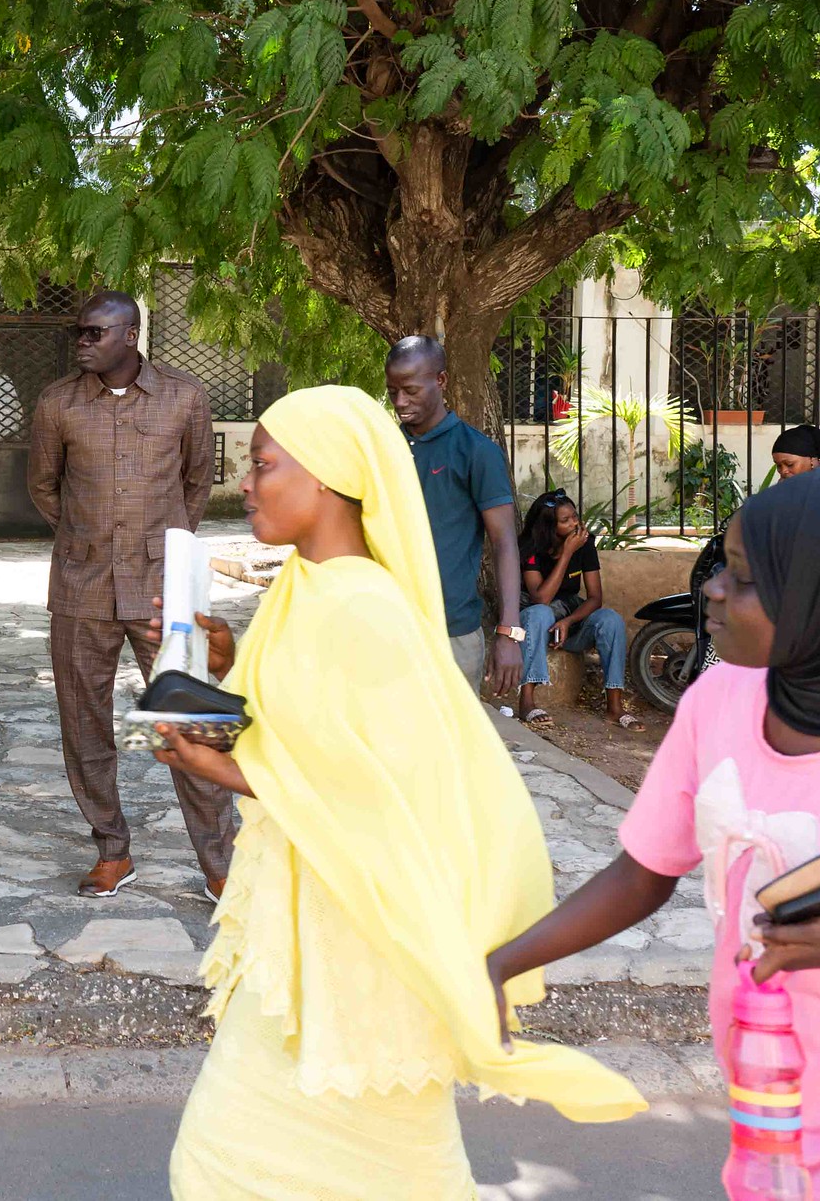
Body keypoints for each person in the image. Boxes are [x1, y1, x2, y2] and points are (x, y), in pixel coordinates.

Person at [145, 386, 642, 1198]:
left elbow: (380, 787)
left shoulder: (367, 608)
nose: (247, 482)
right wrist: (225, 665)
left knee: (315, 1167)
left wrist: (220, 769)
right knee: (231, 1165)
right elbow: (300, 732)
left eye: (264, 464)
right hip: (306, 927)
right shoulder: (303, 590)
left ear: (330, 477)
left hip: (364, 940)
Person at [487, 466, 820, 1197]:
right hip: (766, 1121)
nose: (711, 590)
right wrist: (501, 963)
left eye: (742, 577)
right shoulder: (725, 696)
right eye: (720, 567)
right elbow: (644, 870)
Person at [27, 291, 235, 899]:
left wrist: (162, 551)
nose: (81, 343)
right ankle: (112, 851)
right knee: (84, 724)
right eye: (79, 333)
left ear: (131, 335)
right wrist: (85, 538)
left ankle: (219, 865)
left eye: (94, 333)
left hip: (160, 591)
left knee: (188, 718)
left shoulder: (185, 398)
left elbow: (196, 486)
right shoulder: (58, 402)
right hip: (79, 587)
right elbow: (43, 485)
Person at [385, 336, 526, 696]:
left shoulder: (476, 452)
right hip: (387, 630)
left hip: (452, 635)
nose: (401, 402)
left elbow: (504, 543)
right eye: (393, 391)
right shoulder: (383, 449)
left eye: (411, 390)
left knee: (451, 751)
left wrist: (510, 631)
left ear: (441, 381)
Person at [690, 423, 820, 674]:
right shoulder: (786, 489)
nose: (784, 471)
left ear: (812, 460)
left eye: (790, 464)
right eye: (779, 466)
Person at [514, 489, 640, 731]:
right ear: (549, 527)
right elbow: (541, 597)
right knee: (540, 612)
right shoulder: (531, 547)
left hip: (568, 621)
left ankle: (614, 706)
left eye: (575, 516)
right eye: (566, 520)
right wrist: (567, 553)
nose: (575, 523)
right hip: (536, 623)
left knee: (610, 619)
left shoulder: (585, 543)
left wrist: (569, 621)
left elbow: (595, 598)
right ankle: (527, 701)